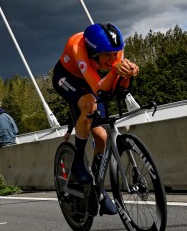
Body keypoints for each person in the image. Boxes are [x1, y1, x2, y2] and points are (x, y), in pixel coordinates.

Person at [51, 22, 139, 216]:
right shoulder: (78, 47)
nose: (113, 58)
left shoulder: (115, 50)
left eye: (115, 53)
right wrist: (116, 71)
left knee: (102, 138)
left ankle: (97, 187)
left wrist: (128, 74)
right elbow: (100, 88)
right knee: (90, 102)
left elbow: (117, 88)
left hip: (89, 79)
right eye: (107, 55)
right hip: (66, 77)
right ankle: (78, 164)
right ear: (93, 52)